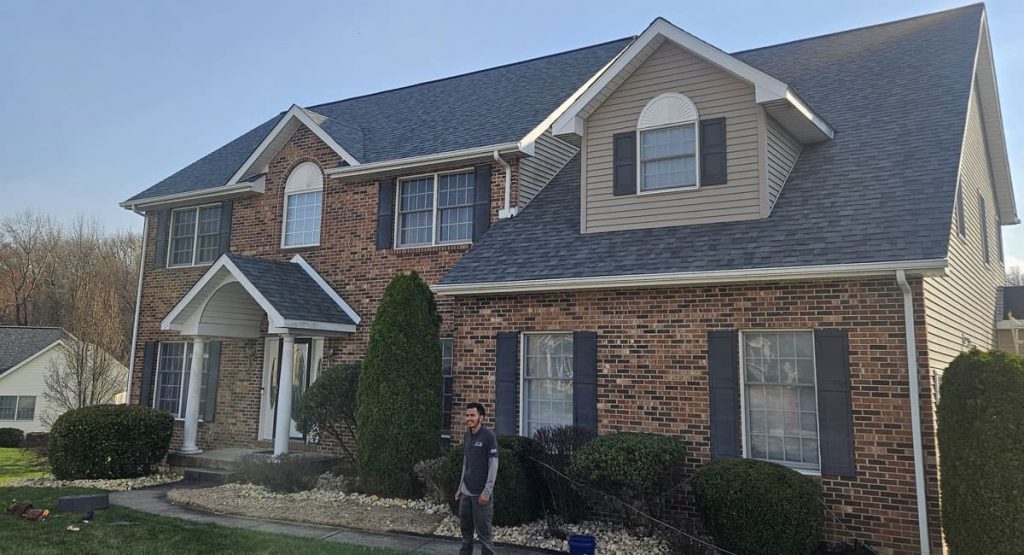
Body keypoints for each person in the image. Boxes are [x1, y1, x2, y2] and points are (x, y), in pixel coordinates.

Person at [456, 402, 498, 555]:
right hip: (466, 493)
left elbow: (493, 466)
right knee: (465, 533)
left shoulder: (489, 437)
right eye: (467, 415)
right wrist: (460, 488)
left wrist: (487, 492)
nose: (469, 418)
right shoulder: (467, 435)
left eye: (472, 415)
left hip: (481, 495)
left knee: (484, 536)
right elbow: (465, 463)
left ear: (481, 417)